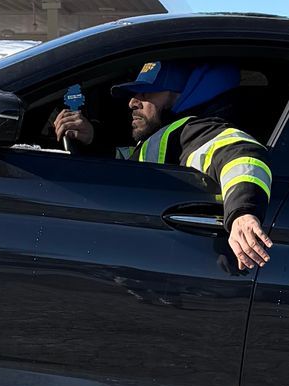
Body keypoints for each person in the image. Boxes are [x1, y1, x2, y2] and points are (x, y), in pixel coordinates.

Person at [53, 59, 275, 268]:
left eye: (147, 92)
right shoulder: (161, 139)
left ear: (180, 95)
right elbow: (131, 164)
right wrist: (93, 139)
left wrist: (243, 212)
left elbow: (240, 153)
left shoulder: (189, 132)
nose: (132, 101)